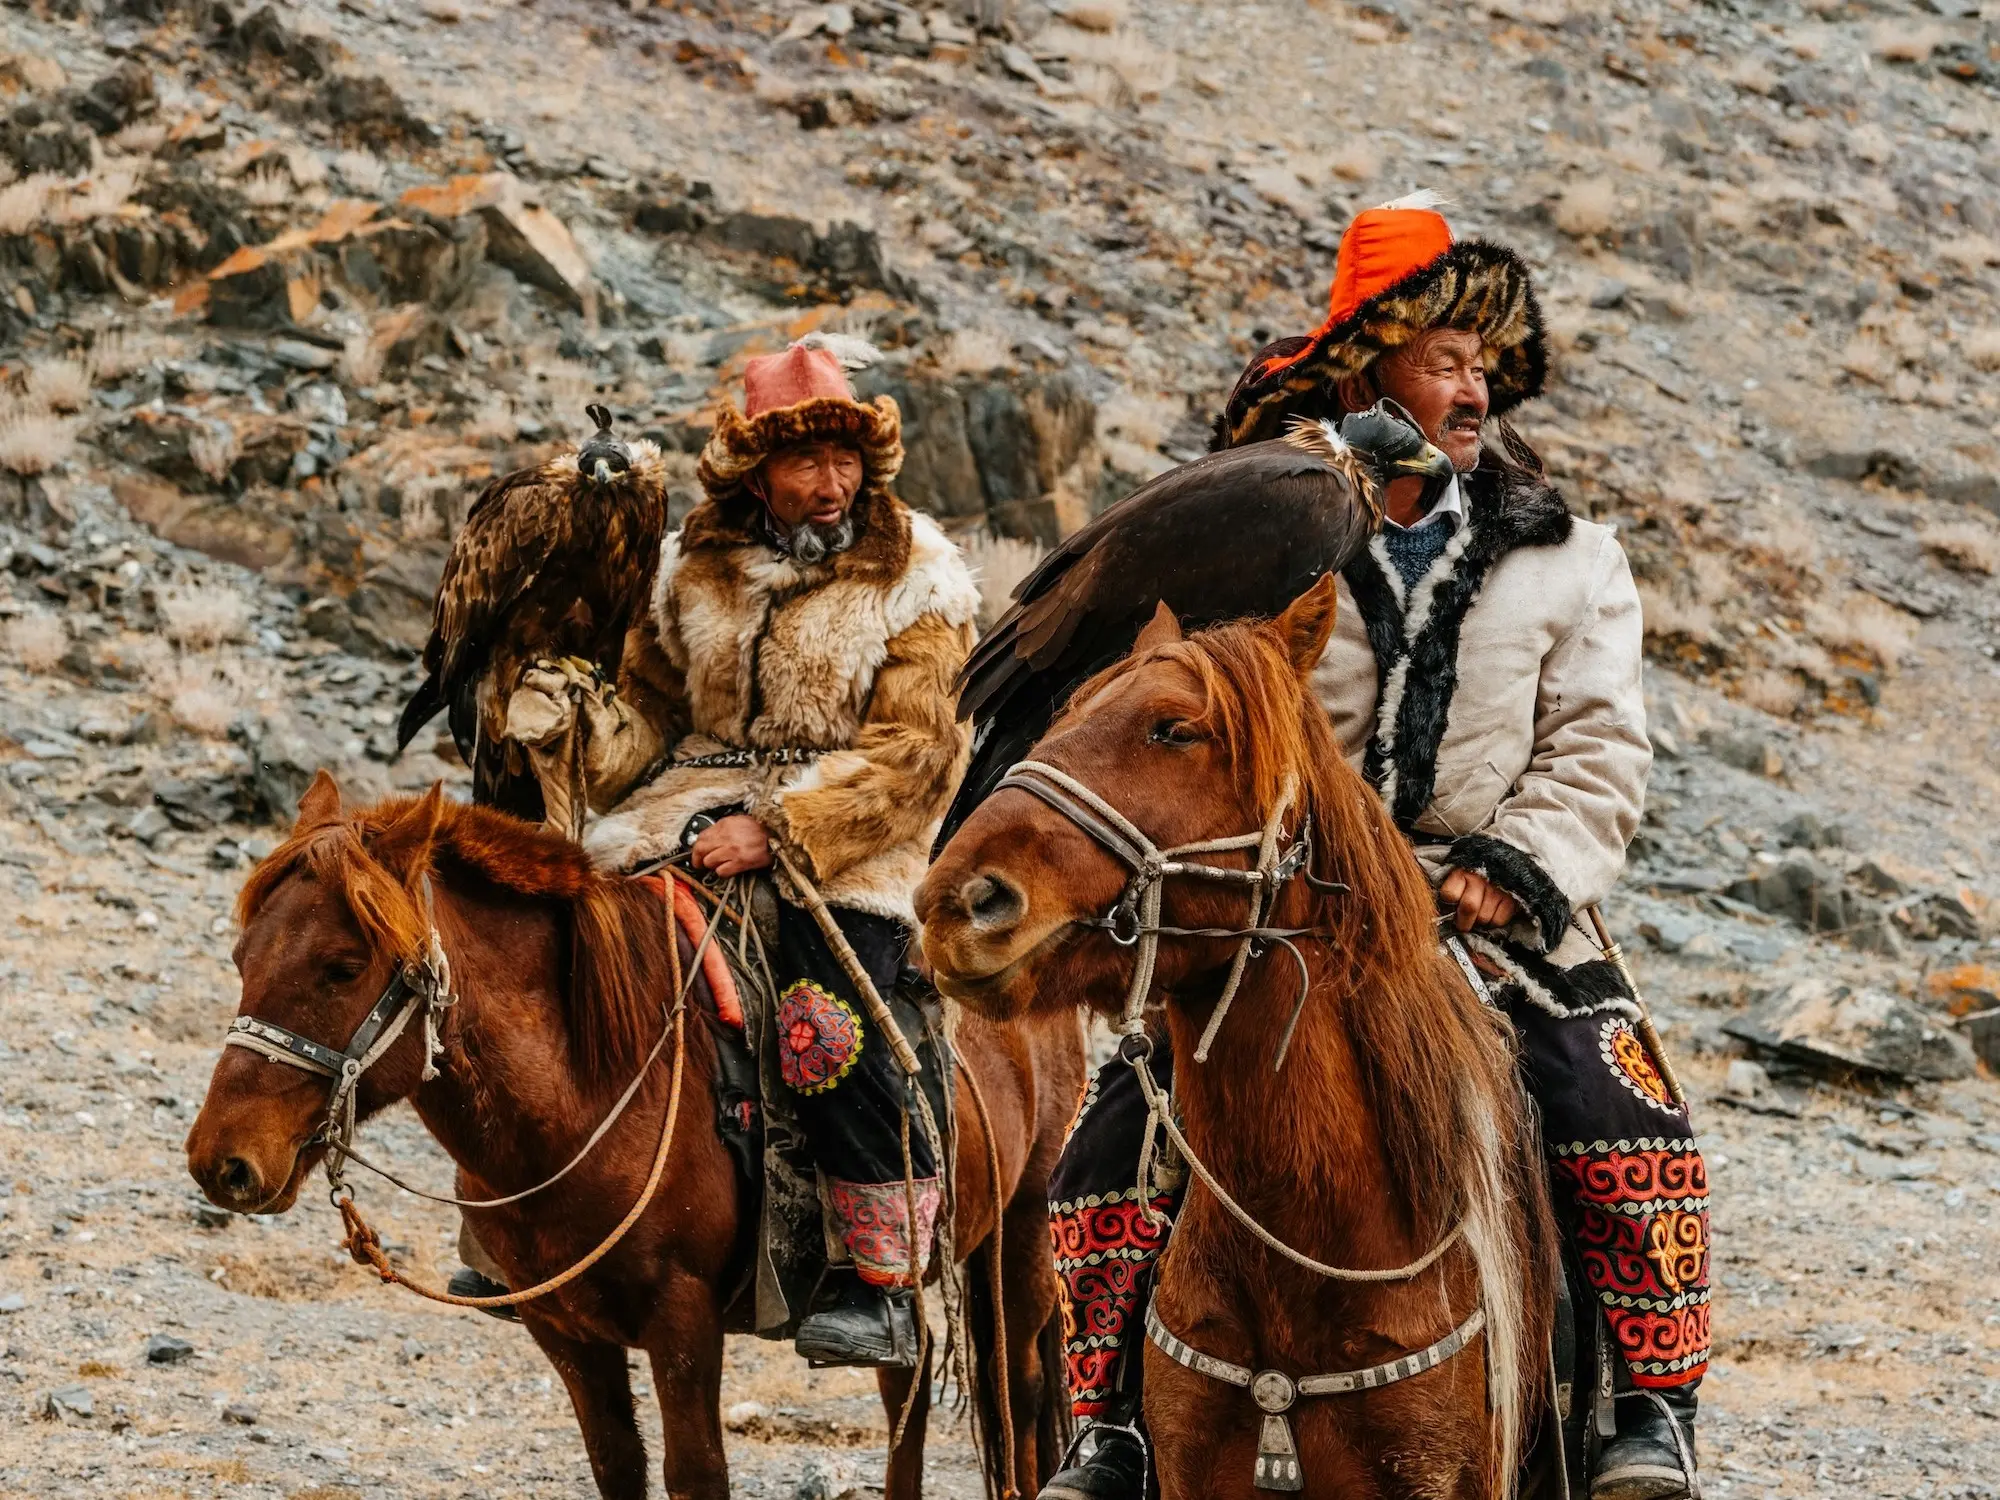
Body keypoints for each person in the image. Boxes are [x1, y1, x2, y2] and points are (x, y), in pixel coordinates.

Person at [1039, 195, 1708, 1500]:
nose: (1473, 388)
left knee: (1619, 1103)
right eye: (1446, 360)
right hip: (1287, 895)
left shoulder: (1574, 559)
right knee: (1116, 1129)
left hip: (1493, 900)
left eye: (1483, 365)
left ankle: (1645, 1408)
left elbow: (1598, 758)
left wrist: (1505, 870)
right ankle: (1111, 1415)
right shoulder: (1279, 533)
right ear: (1371, 367)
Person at [455, 333, 981, 1369]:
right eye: (803, 464)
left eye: (844, 462)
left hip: (850, 824)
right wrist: (579, 729)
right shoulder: (688, 567)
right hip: (685, 799)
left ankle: (873, 1277)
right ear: (756, 470)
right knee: (545, 955)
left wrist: (783, 830)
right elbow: (652, 712)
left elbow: (917, 751)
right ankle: (511, 1224)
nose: (830, 485)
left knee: (825, 1019)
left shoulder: (918, 573)